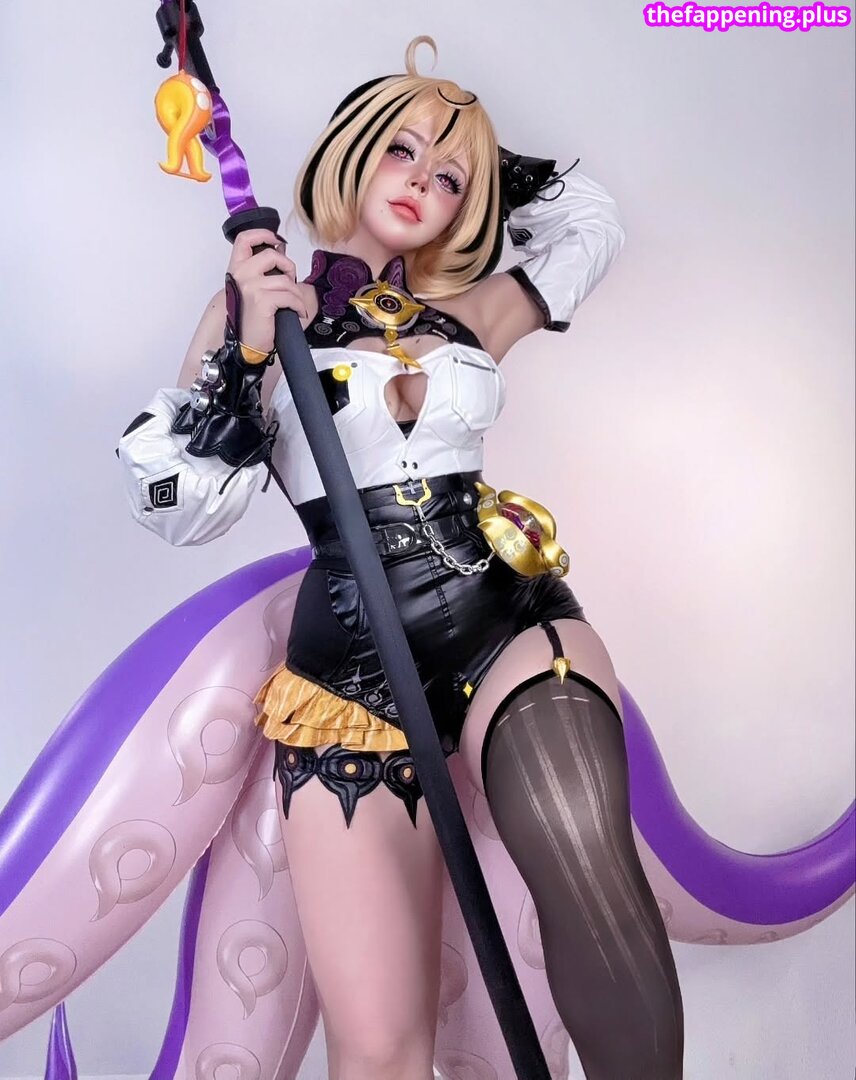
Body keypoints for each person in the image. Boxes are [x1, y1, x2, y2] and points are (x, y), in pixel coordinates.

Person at [118, 36, 684, 1080]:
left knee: (590, 878)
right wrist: (251, 350)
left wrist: (478, 151)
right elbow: (175, 506)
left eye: (450, 177)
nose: (424, 179)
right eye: (400, 150)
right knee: (380, 1045)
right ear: (351, 151)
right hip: (349, 677)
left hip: (505, 620)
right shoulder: (256, 307)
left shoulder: (475, 311)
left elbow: (591, 220)